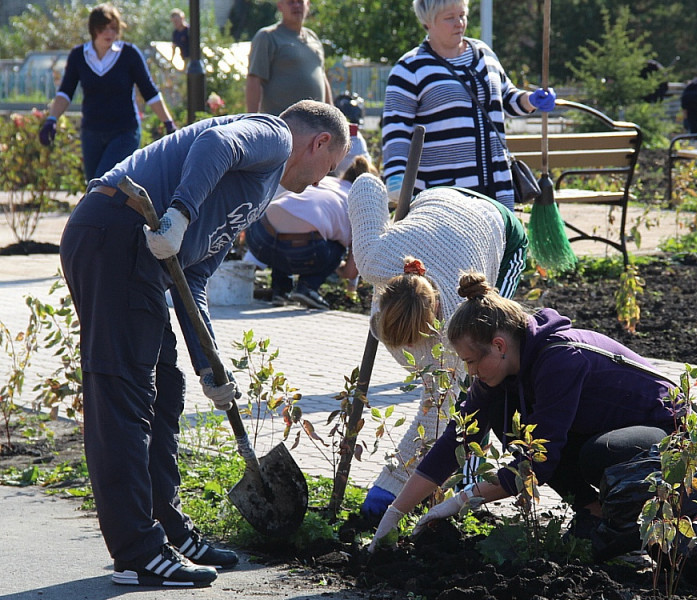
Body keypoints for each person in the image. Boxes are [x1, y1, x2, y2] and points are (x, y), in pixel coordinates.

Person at [59, 100, 349, 588]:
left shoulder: (259, 193)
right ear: (319, 142)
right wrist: (179, 214)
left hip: (140, 255)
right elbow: (215, 143)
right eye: (331, 165)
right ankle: (137, 552)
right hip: (115, 226)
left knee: (168, 388)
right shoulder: (273, 136)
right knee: (125, 394)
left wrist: (210, 365)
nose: (324, 178)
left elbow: (192, 278)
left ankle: (168, 529)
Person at [369, 271, 680, 552]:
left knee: (597, 453)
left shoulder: (560, 359)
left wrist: (459, 501)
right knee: (515, 427)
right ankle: (595, 513)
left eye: (473, 362)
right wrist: (396, 512)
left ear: (500, 345)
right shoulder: (500, 375)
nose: (471, 371)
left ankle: (638, 527)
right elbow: (457, 439)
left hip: (668, 432)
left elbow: (537, 463)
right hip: (604, 427)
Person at [348, 174, 528, 521]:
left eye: (417, 343)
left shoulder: (456, 333)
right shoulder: (374, 262)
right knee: (460, 387)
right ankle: (438, 485)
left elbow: (437, 413)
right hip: (439, 198)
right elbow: (366, 182)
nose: (411, 353)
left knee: (484, 380)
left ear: (433, 327)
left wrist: (392, 484)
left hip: (494, 224)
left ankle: (469, 486)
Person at [381, 0, 556, 211]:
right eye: (449, 18)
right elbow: (396, 129)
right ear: (427, 21)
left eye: (462, 15)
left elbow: (507, 98)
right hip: (445, 196)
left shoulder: (484, 54)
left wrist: (531, 100)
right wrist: (397, 178)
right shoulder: (409, 69)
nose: (459, 23)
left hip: (497, 188)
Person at [38, 3, 176, 181]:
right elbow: (65, 92)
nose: (108, 33)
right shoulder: (79, 56)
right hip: (92, 132)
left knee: (104, 183)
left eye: (113, 28)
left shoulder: (129, 54)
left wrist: (169, 123)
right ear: (93, 30)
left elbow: (149, 91)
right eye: (102, 28)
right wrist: (51, 120)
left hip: (124, 131)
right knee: (93, 187)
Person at [244, 155, 375, 309]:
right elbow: (351, 272)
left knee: (287, 237)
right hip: (301, 248)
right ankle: (307, 287)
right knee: (336, 246)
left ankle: (280, 290)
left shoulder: (324, 181)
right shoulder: (360, 203)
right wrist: (336, 265)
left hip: (258, 235)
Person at [245, 0, 332, 115]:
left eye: (300, 2)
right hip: (281, 125)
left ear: (308, 5)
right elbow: (254, 79)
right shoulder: (268, 37)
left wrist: (332, 117)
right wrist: (251, 120)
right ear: (280, 6)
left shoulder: (313, 37)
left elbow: (322, 77)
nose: (296, 6)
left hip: (315, 126)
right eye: (291, 2)